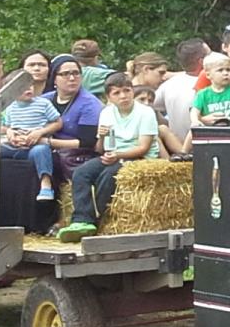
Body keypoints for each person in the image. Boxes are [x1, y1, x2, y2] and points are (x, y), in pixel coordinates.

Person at [60, 72, 157, 241]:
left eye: (127, 91)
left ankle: (100, 218)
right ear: (109, 97)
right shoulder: (106, 113)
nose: (123, 96)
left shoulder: (146, 112)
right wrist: (102, 136)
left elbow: (143, 147)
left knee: (108, 175)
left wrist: (117, 155)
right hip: (113, 154)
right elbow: (100, 149)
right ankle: (82, 219)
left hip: (137, 157)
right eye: (117, 93)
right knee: (81, 173)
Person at [0, 71, 63, 200]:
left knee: (42, 150)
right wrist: (9, 132)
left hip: (34, 144)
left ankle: (46, 184)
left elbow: (58, 122)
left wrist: (40, 132)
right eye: (22, 87)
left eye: (30, 85)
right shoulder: (9, 107)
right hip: (14, 144)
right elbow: (0, 126)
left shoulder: (43, 103)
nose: (28, 89)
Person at [41, 54, 102, 182]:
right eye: (65, 74)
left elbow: (88, 142)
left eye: (76, 73)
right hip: (46, 150)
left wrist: (49, 143)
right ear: (54, 79)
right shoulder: (44, 100)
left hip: (77, 155)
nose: (72, 78)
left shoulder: (90, 104)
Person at [156, 38, 207, 152]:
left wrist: (165, 125)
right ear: (202, 61)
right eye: (210, 55)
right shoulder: (211, 85)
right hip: (204, 146)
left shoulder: (170, 84)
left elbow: (149, 106)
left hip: (175, 148)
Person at [192, 52, 230, 128]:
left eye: (228, 70)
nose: (225, 73)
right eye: (220, 70)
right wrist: (195, 121)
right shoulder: (202, 95)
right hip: (210, 132)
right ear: (208, 75)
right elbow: (194, 111)